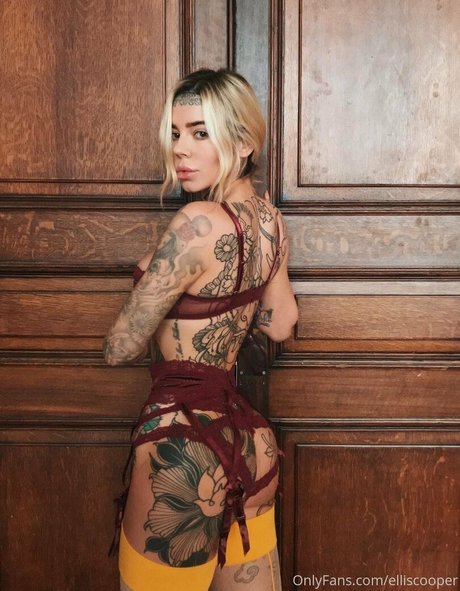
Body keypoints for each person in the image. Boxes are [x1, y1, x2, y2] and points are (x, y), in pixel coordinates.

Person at [104, 68, 298, 591]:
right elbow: (281, 324)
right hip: (251, 444)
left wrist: (157, 269)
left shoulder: (196, 223)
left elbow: (120, 346)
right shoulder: (270, 220)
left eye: (200, 132)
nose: (180, 150)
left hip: (185, 448)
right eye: (175, 133)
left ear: (244, 142)